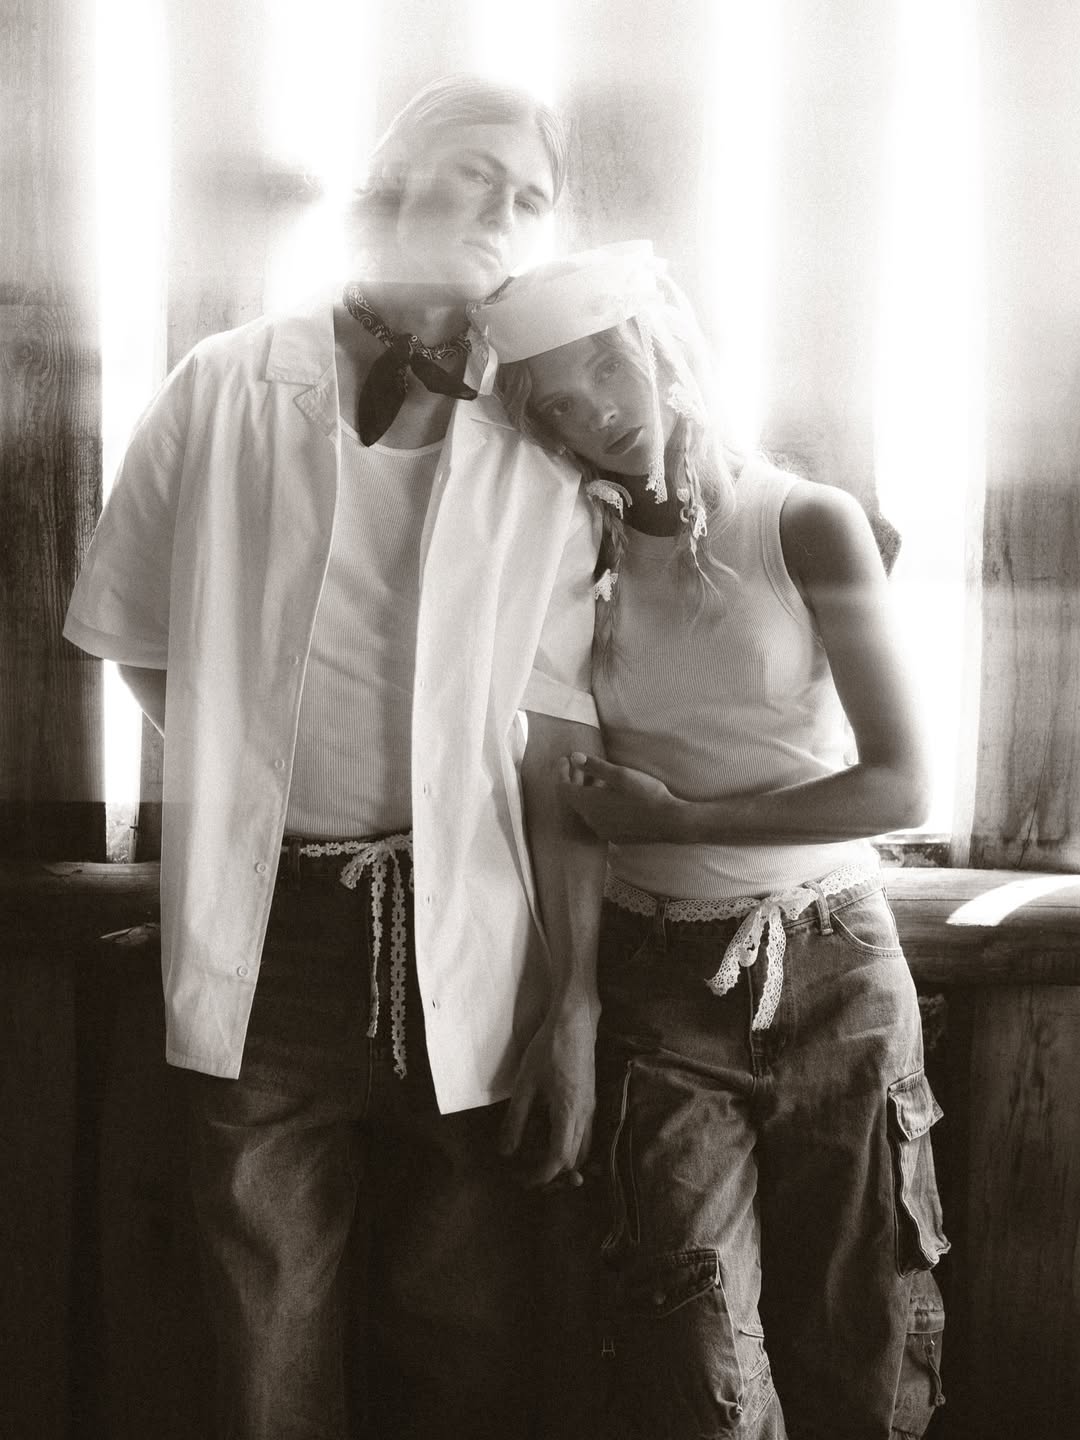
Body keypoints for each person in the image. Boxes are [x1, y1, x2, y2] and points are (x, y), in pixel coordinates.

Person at [64, 77, 606, 1440]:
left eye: (531, 196)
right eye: (477, 172)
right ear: (396, 178)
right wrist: (256, 780)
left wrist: (574, 1003)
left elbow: (560, 739)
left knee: (461, 1340)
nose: (503, 208)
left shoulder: (540, 437)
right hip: (273, 933)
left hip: (465, 931)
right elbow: (130, 633)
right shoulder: (225, 384)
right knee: (265, 1347)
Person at [473, 241, 950, 1439]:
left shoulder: (806, 524)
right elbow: (558, 792)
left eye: (605, 372)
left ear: (662, 348)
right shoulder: (572, 556)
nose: (593, 416)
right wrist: (572, 1003)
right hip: (659, 977)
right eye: (556, 406)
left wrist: (689, 823)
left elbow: (902, 782)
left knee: (861, 1330)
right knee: (694, 1354)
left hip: (834, 960)